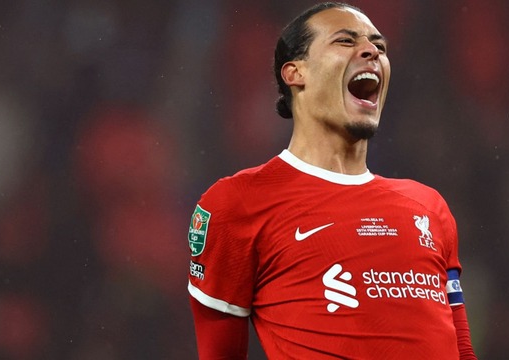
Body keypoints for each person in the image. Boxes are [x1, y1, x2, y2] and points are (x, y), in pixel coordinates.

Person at [187, 2, 477, 359]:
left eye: (379, 47)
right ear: (295, 73)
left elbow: (462, 349)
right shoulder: (236, 204)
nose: (372, 51)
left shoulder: (429, 208)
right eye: (345, 41)